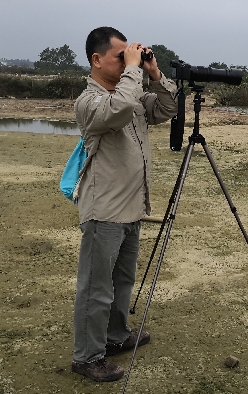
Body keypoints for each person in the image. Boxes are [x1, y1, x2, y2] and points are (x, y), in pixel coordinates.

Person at [70, 26, 178, 382]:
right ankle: (87, 357)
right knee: (96, 287)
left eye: (128, 56)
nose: (127, 61)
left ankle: (116, 336)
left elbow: (166, 108)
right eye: (120, 57)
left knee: (122, 281)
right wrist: (134, 70)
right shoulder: (91, 102)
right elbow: (117, 110)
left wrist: (154, 73)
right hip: (104, 210)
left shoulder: (129, 94)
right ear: (96, 60)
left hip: (132, 207)